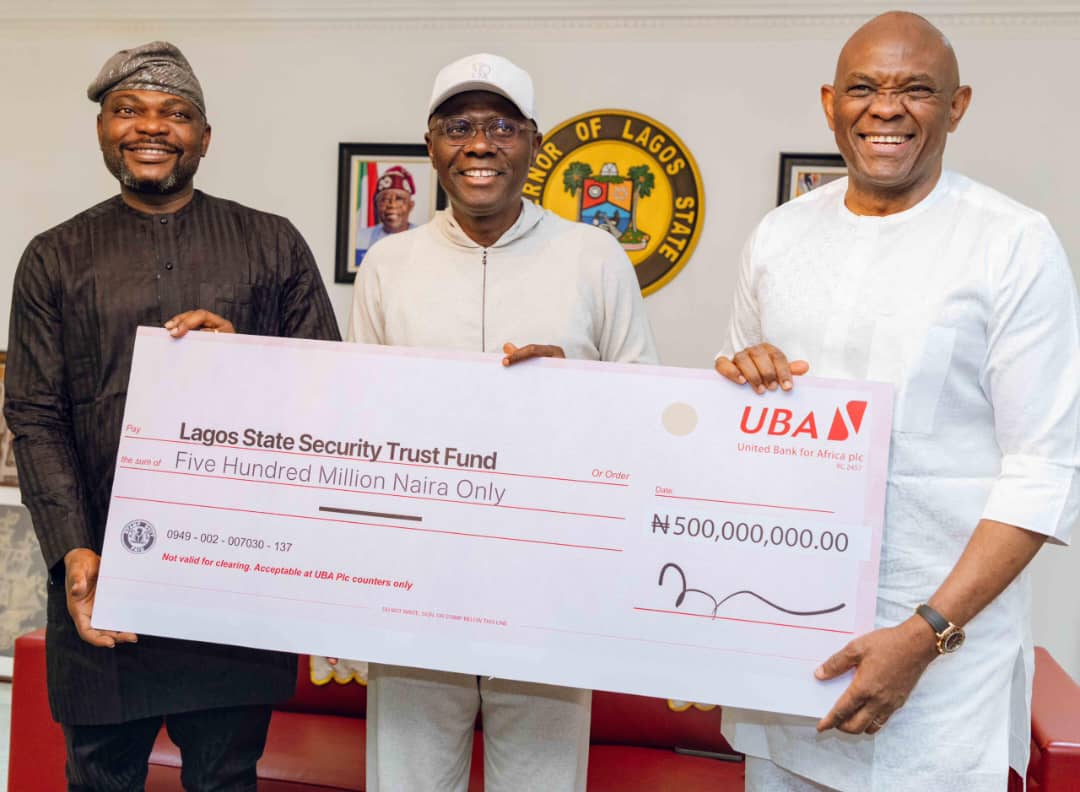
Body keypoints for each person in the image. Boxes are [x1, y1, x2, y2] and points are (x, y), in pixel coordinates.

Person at [713, 12, 1079, 791]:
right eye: (863, 88)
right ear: (828, 101)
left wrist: (923, 636)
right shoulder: (777, 238)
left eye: (917, 89)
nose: (886, 108)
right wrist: (742, 377)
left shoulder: (1012, 243)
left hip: (942, 662)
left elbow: (1044, 468)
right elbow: (732, 422)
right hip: (787, 647)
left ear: (958, 105)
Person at [5, 41, 340, 791]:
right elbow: (34, 414)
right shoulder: (53, 258)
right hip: (104, 581)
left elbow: (330, 394)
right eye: (128, 110)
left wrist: (246, 361)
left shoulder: (271, 243)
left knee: (225, 778)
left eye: (175, 113)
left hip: (233, 578)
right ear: (102, 127)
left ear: (205, 138)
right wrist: (74, 554)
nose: (151, 127)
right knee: (100, 780)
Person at [346, 52, 658, 791]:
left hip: (549, 585)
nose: (479, 144)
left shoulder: (595, 256)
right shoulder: (390, 263)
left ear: (534, 143)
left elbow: (646, 409)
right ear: (430, 147)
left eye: (500, 126)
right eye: (458, 126)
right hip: (417, 584)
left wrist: (577, 389)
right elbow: (359, 415)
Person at [355, 165, 417, 263]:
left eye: (399, 199)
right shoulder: (359, 239)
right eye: (384, 199)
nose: (392, 205)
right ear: (376, 205)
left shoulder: (425, 240)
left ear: (411, 205)